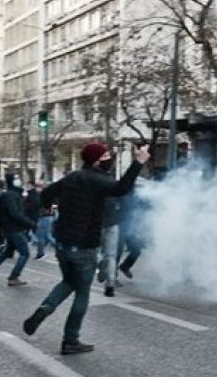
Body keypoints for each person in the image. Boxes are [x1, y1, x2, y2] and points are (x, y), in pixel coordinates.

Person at [22, 141, 150, 356]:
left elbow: (45, 195)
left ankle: (46, 308)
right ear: (98, 160)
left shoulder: (72, 177)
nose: (109, 158)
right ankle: (70, 339)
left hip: (62, 243)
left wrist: (51, 207)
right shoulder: (99, 180)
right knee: (82, 292)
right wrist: (138, 162)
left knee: (68, 281)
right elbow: (122, 188)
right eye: (107, 155)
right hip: (84, 246)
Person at [0, 173, 37, 286]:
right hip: (14, 228)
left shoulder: (10, 194)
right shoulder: (11, 195)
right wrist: (30, 223)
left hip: (10, 228)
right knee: (24, 253)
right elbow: (14, 213)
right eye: (17, 179)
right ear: (13, 181)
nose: (20, 181)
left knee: (7, 252)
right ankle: (13, 277)